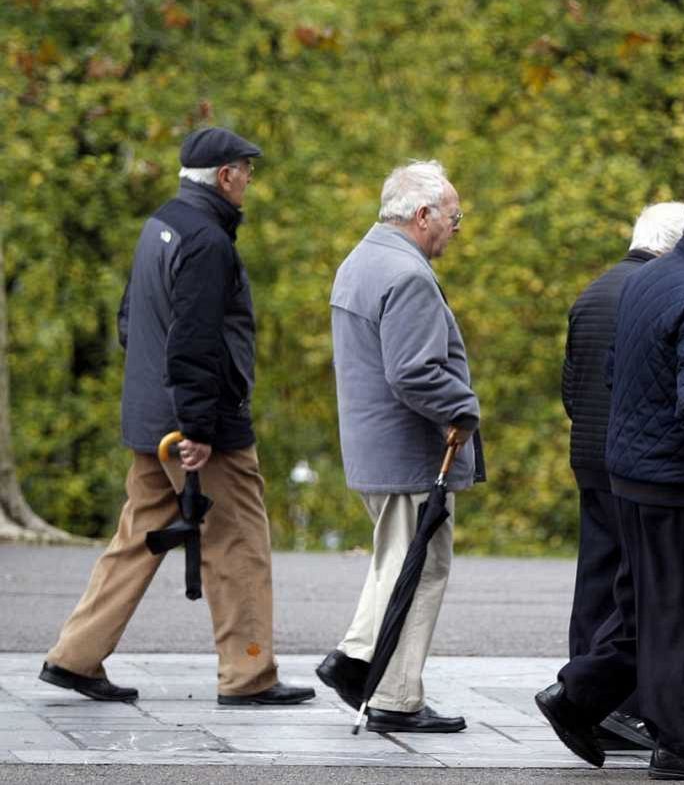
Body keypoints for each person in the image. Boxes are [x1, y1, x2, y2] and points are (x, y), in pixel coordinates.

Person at [41, 126, 315, 706]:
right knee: (238, 542)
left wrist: (160, 405)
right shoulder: (208, 243)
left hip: (151, 415)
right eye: (246, 170)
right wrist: (197, 428)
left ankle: (75, 656)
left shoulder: (160, 225)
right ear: (225, 176)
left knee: (138, 537)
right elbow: (194, 342)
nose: (249, 181)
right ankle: (248, 675)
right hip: (197, 425)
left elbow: (129, 320)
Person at [536, 178, 684, 782]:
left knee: (644, 608)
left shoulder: (644, 282)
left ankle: (576, 698)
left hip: (627, 477)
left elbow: (615, 374)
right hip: (672, 483)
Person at [316, 160, 485, 733]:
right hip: (409, 452)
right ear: (422, 215)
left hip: (374, 447)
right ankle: (392, 693)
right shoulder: (406, 274)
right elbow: (414, 372)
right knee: (421, 567)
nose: (456, 228)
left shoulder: (360, 260)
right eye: (453, 216)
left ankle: (356, 661)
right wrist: (463, 409)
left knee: (396, 560)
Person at [560, 201, 684, 754]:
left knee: (595, 581)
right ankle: (612, 705)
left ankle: (583, 701)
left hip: (587, 453)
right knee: (638, 587)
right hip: (632, 463)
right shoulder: (654, 294)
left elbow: (570, 383)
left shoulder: (592, 291)